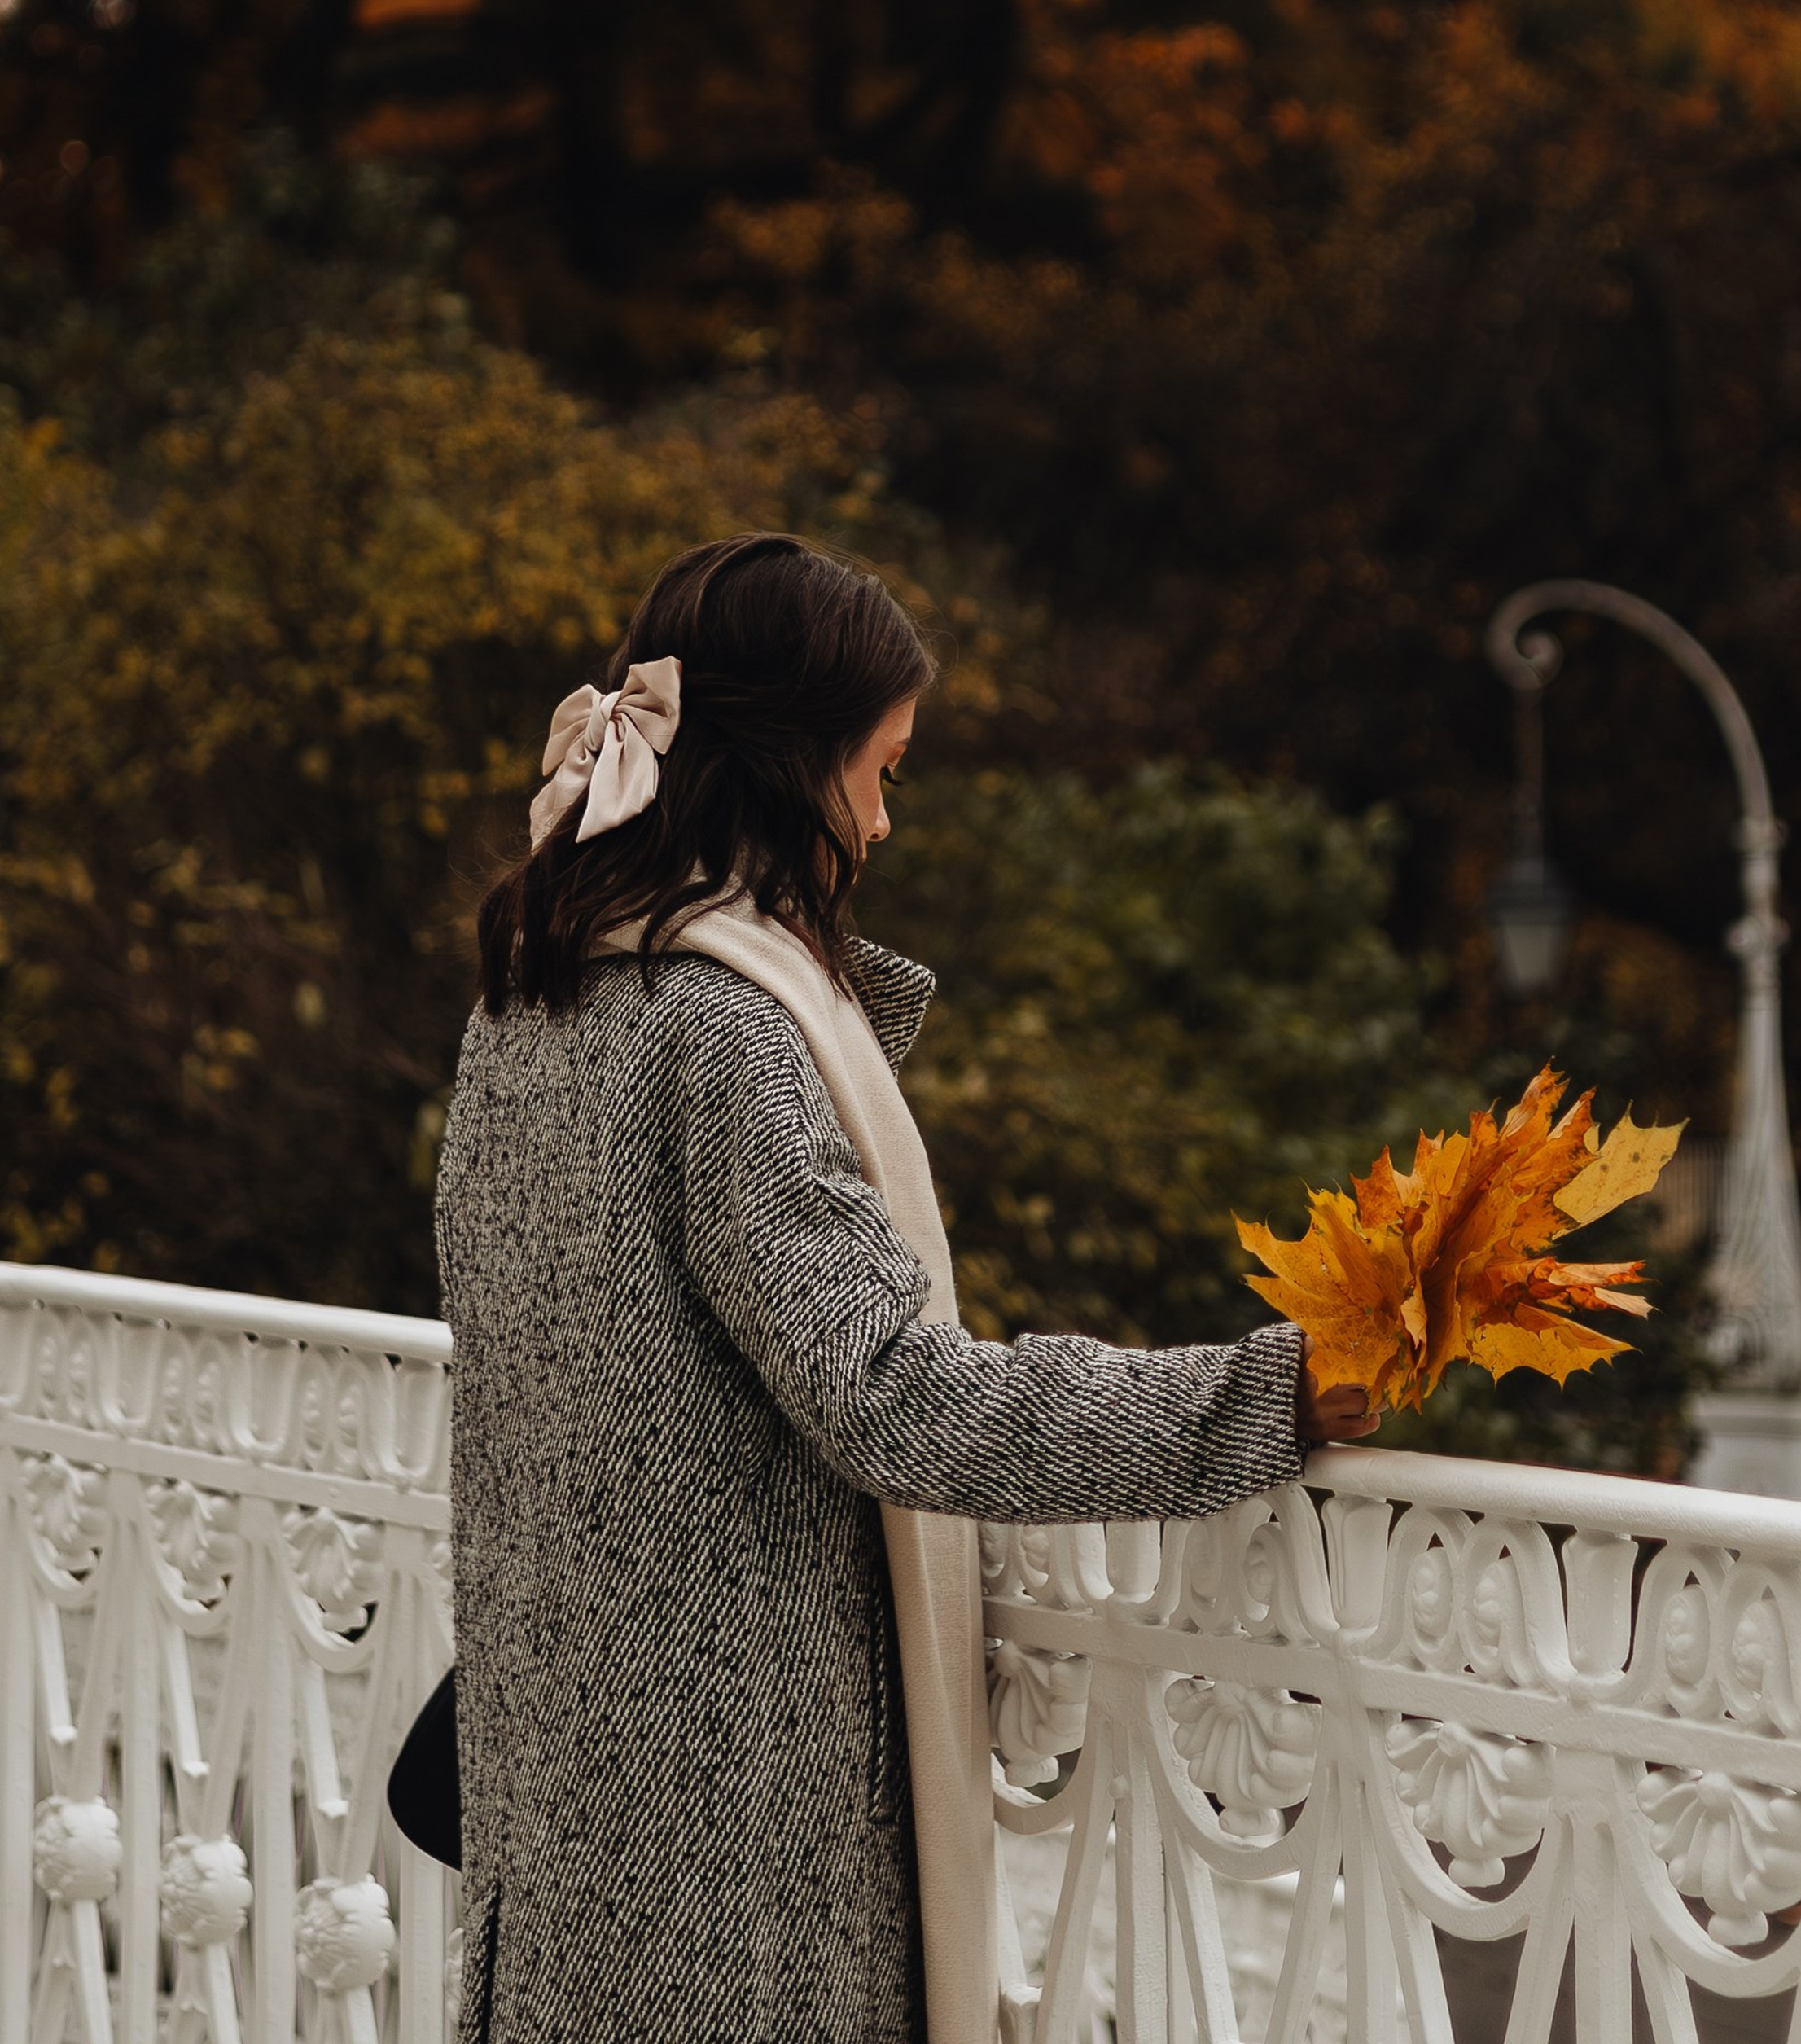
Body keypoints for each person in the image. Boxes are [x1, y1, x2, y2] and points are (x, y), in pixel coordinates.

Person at [436, 533, 1379, 2044]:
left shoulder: (527, 1008)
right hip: (725, 1843)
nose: (885, 816)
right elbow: (895, 1394)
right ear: (794, 771)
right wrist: (1250, 1400)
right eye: (880, 768)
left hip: (567, 1788)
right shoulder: (718, 1036)